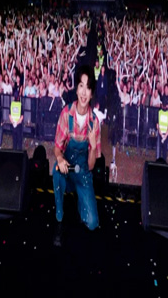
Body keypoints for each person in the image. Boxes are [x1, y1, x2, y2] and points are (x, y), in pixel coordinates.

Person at [52, 64, 101, 247]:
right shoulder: (66, 113)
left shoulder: (94, 122)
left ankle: (80, 202)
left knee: (92, 223)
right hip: (67, 167)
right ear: (76, 88)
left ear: (91, 93)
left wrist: (93, 146)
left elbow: (91, 166)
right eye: (81, 86)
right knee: (56, 172)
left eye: (88, 88)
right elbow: (57, 148)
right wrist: (60, 159)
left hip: (82, 172)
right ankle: (59, 218)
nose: (83, 92)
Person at [156, 96, 168, 162]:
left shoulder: (167, 113)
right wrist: (162, 135)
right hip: (161, 134)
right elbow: (157, 125)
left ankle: (163, 161)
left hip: (164, 134)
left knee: (164, 150)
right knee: (160, 150)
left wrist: (164, 136)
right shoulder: (160, 112)